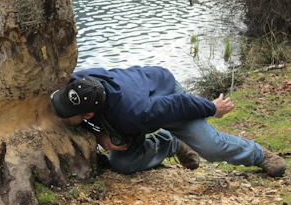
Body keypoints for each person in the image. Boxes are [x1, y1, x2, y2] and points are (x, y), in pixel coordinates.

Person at [50, 66, 287, 177]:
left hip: (165, 95)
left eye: (64, 112)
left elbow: (178, 105)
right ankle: (170, 143)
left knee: (211, 148)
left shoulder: (135, 112)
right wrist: (100, 136)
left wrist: (213, 108)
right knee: (122, 164)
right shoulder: (80, 83)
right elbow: (80, 117)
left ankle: (260, 155)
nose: (58, 114)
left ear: (89, 114)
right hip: (136, 110)